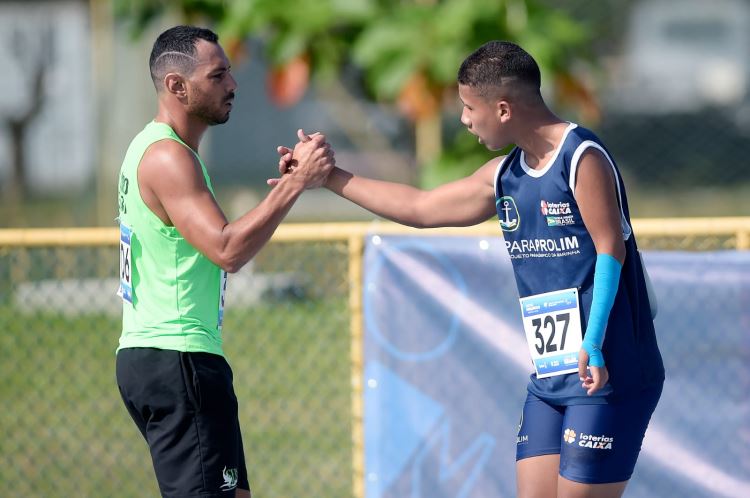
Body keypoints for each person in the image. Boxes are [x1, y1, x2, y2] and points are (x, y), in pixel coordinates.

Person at [273, 41, 665, 498]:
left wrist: (593, 342)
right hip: (551, 378)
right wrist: (328, 177)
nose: (463, 119)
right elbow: (420, 207)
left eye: (468, 107)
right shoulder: (505, 174)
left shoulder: (581, 157)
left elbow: (610, 250)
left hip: (608, 370)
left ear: (503, 109)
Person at [115, 25, 333, 498]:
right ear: (176, 85)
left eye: (229, 72)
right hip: (177, 358)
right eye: (217, 76)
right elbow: (227, 249)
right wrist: (297, 185)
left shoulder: (161, 150)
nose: (233, 84)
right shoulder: (168, 157)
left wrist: (290, 184)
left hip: (174, 358)